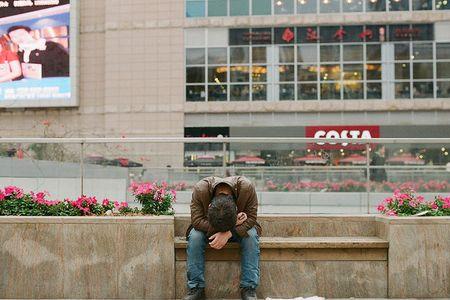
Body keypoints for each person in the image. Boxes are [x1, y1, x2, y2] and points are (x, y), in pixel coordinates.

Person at [184, 176, 261, 300]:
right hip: (209, 226)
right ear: (209, 206)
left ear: (236, 208)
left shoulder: (247, 188)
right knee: (195, 237)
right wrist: (234, 223)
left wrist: (228, 233)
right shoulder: (200, 189)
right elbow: (197, 221)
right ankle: (196, 288)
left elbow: (251, 218)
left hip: (238, 228)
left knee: (251, 237)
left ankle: (249, 288)